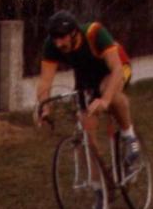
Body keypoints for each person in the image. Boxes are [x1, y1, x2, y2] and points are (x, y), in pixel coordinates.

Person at [34, 10, 141, 170]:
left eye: (62, 38)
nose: (58, 44)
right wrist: (44, 106)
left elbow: (116, 69)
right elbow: (45, 80)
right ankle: (101, 187)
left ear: (74, 33)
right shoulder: (52, 45)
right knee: (86, 130)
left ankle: (129, 135)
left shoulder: (95, 33)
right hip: (87, 75)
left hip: (116, 68)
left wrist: (105, 99)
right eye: (55, 39)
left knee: (108, 91)